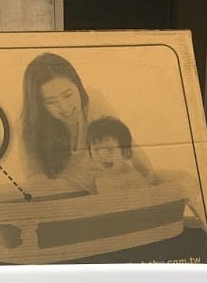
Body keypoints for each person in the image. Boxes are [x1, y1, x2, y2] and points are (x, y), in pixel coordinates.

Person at [20, 53, 154, 193]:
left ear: (78, 86)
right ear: (39, 105)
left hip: (106, 184)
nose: (64, 107)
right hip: (65, 193)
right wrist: (71, 180)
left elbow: (127, 144)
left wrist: (149, 176)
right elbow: (33, 184)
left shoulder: (94, 102)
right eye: (51, 102)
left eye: (68, 95)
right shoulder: (30, 126)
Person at [87, 116, 151, 194]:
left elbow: (146, 196)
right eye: (96, 150)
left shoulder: (132, 177)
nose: (102, 155)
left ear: (125, 152)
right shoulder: (95, 178)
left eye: (109, 149)